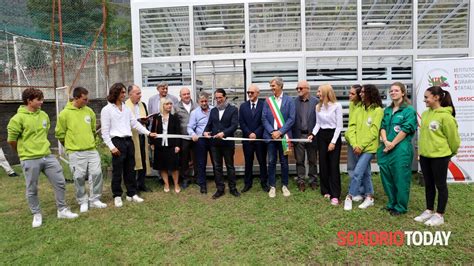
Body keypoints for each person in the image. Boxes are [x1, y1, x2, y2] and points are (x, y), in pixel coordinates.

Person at [7, 88, 78, 228]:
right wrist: (22, 153)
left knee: (60, 182)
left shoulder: (44, 115)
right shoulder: (17, 119)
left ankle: (62, 210)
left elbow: (44, 133)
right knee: (32, 188)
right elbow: (11, 140)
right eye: (38, 99)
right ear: (29, 101)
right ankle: (36, 214)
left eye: (42, 99)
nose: (42, 102)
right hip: (29, 158)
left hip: (47, 156)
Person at [101, 83, 157, 207]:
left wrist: (148, 133)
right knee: (117, 171)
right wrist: (112, 147)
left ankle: (131, 193)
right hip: (117, 142)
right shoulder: (107, 110)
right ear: (115, 93)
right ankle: (117, 195)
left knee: (130, 169)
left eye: (124, 92)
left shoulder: (126, 108)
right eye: (122, 92)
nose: (124, 95)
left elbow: (135, 124)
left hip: (129, 141)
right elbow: (105, 132)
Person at [55, 86, 107, 213]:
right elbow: (60, 134)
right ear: (76, 98)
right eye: (84, 99)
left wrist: (90, 141)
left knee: (96, 173)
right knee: (78, 177)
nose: (87, 101)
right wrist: (70, 146)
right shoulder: (64, 114)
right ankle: (83, 201)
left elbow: (93, 130)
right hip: (75, 152)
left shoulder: (89, 111)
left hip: (91, 149)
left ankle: (94, 199)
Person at [414, 86, 460, 226]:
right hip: (425, 156)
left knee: (440, 185)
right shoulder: (426, 114)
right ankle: (429, 210)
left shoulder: (446, 117)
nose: (425, 100)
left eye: (427, 97)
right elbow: (424, 136)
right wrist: (421, 152)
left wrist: (449, 154)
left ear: (436, 97)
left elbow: (454, 140)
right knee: (428, 184)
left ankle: (439, 215)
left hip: (440, 157)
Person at [377, 82, 417, 216]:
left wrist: (392, 144)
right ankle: (391, 203)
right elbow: (382, 126)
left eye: (396, 90)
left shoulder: (409, 110)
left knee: (400, 178)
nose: (393, 92)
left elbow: (406, 129)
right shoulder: (387, 110)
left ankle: (400, 207)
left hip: (400, 150)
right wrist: (385, 141)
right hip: (385, 148)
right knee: (387, 178)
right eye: (391, 91)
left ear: (403, 93)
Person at [343, 84, 383, 211]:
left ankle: (349, 196)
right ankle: (369, 197)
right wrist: (355, 145)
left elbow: (374, 131)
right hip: (357, 147)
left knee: (357, 172)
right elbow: (352, 127)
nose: (361, 94)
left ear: (370, 94)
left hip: (369, 148)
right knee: (366, 173)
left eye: (363, 92)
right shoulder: (359, 108)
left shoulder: (378, 111)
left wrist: (361, 146)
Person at [308, 84, 343, 205]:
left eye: (319, 91)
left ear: (326, 92)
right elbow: (318, 124)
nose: (317, 94)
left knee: (333, 166)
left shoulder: (337, 106)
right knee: (323, 164)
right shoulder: (318, 106)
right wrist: (312, 134)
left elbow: (339, 126)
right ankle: (325, 190)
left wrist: (333, 142)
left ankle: (335, 195)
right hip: (321, 136)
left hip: (334, 135)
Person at [262, 77, 296, 198]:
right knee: (271, 162)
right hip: (271, 137)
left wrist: (280, 132)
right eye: (270, 86)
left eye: (273, 85)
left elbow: (292, 119)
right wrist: (272, 131)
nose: (271, 88)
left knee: (284, 162)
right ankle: (272, 186)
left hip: (283, 136)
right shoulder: (268, 101)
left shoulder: (289, 100)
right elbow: (264, 118)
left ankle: (284, 185)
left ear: (280, 86)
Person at [204, 89, 240, 199]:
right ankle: (220, 189)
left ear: (225, 97)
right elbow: (209, 124)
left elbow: (234, 125)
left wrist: (224, 133)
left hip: (227, 143)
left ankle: (232, 188)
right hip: (214, 144)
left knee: (230, 166)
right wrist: (205, 131)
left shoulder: (233, 109)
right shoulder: (213, 110)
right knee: (217, 167)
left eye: (220, 97)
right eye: (216, 98)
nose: (218, 100)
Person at [239, 84, 268, 193]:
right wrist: (249, 133)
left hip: (260, 139)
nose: (250, 94)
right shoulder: (243, 106)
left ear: (257, 93)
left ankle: (264, 182)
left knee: (262, 162)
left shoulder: (264, 105)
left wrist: (256, 133)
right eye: (248, 92)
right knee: (248, 162)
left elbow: (264, 121)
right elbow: (241, 122)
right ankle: (247, 183)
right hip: (247, 140)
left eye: (252, 92)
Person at [150, 98, 181, 193]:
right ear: (162, 105)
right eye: (167, 104)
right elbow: (152, 130)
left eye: (170, 104)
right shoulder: (157, 118)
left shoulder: (174, 117)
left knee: (174, 166)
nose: (169, 106)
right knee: (162, 165)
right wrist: (152, 143)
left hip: (172, 145)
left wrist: (177, 145)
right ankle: (166, 184)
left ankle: (176, 184)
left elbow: (178, 132)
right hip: (159, 145)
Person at [292, 80, 319, 192]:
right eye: (297, 88)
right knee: (299, 160)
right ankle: (301, 181)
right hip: (298, 135)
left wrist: (314, 134)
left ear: (308, 89)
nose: (298, 90)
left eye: (301, 88)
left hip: (311, 136)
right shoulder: (293, 102)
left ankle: (313, 181)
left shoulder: (316, 102)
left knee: (312, 160)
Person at [125, 85, 152, 193]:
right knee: (132, 161)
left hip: (142, 136)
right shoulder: (125, 106)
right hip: (131, 137)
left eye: (140, 93)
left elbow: (147, 122)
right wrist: (137, 121)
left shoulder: (143, 105)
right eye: (137, 93)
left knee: (144, 160)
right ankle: (132, 185)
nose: (140, 96)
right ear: (130, 94)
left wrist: (146, 121)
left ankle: (142, 183)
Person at [187, 92, 213, 194]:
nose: (204, 103)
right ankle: (202, 184)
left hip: (212, 138)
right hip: (201, 140)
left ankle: (218, 182)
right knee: (201, 163)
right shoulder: (194, 113)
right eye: (202, 101)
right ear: (198, 102)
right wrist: (192, 134)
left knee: (216, 162)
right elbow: (190, 127)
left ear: (208, 101)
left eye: (205, 101)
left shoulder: (213, 110)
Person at [174, 87, 198, 189]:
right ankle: (185, 179)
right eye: (184, 94)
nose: (187, 96)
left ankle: (198, 178)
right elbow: (174, 123)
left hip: (196, 137)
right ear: (180, 96)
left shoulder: (196, 105)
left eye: (188, 94)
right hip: (183, 137)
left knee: (197, 158)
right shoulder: (176, 107)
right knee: (184, 159)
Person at [345, 84, 365, 202]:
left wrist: (358, 143)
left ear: (359, 95)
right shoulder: (352, 104)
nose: (349, 95)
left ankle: (361, 191)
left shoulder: (364, 107)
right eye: (350, 93)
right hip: (351, 140)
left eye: (352, 94)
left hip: (360, 142)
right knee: (351, 166)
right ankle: (355, 190)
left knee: (360, 168)